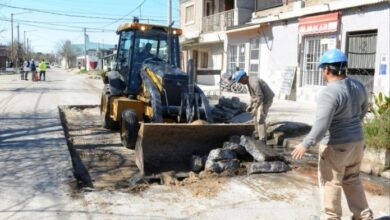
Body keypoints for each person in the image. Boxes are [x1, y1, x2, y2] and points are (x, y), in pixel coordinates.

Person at [291, 49, 373, 220]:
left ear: (327, 70)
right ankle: (364, 215)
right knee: (352, 179)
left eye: (322, 69)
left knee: (331, 183)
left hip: (336, 145)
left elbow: (322, 125)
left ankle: (331, 217)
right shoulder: (359, 86)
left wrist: (306, 143)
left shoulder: (329, 93)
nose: (323, 72)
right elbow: (363, 110)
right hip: (357, 142)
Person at [234, 71, 274, 142]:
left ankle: (262, 139)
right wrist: (250, 106)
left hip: (266, 100)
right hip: (260, 98)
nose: (240, 82)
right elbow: (253, 96)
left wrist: (255, 108)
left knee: (260, 118)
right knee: (255, 117)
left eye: (240, 80)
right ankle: (257, 134)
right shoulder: (248, 82)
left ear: (244, 77)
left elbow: (260, 96)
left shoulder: (253, 82)